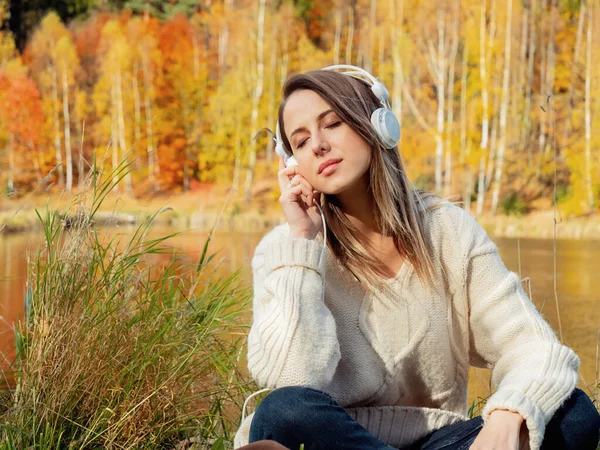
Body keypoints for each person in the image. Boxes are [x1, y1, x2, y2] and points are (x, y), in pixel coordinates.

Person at [233, 66, 600, 450]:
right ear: (291, 164)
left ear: (378, 124)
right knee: (285, 410)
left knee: (571, 412)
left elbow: (534, 348)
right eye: (301, 140)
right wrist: (304, 242)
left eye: (334, 123)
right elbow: (293, 378)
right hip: (333, 437)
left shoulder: (447, 230)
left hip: (441, 441)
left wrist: (509, 414)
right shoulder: (287, 248)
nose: (318, 145)